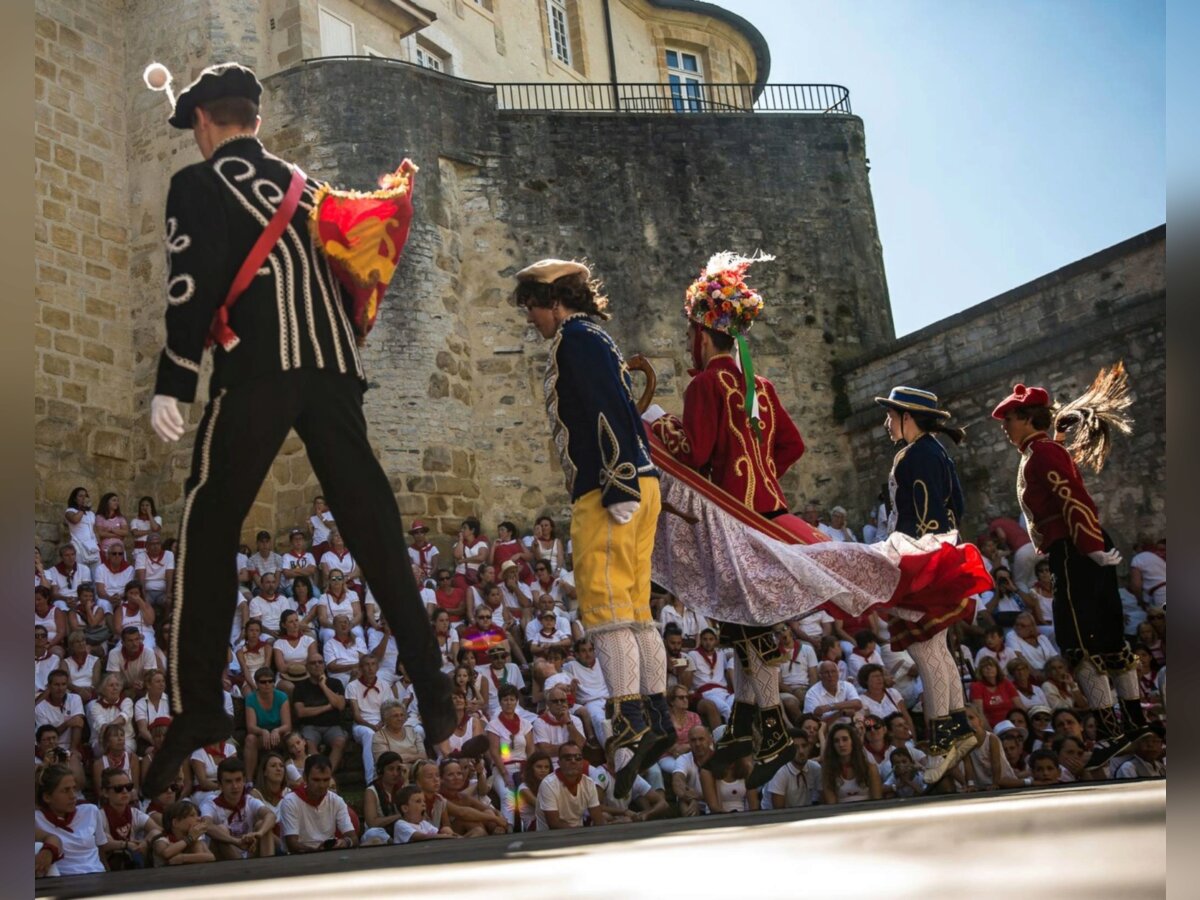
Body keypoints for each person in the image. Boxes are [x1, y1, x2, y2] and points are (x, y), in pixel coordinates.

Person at [141, 61, 452, 799]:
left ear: (205, 124)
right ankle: (434, 687)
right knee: (375, 527)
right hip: (335, 368)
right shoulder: (305, 184)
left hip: (259, 371)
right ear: (251, 117)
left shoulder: (198, 184)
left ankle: (198, 710)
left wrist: (175, 376)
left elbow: (193, 279)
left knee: (207, 525)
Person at [644, 252, 807, 789]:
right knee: (740, 625)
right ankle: (741, 722)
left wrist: (654, 422)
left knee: (748, 623)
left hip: (732, 520)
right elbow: (792, 444)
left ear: (701, 334)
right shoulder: (762, 386)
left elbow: (695, 452)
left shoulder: (705, 385)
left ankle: (772, 728)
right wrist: (763, 479)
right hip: (768, 513)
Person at [515, 258, 670, 799]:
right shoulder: (596, 338)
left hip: (609, 490)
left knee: (605, 612)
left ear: (552, 299)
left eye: (532, 307)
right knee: (636, 611)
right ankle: (655, 712)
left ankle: (629, 724)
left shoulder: (574, 341)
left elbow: (605, 411)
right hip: (635, 482)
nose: (531, 319)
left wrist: (619, 481)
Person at [993, 379, 1147, 769]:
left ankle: (1115, 732)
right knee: (1107, 635)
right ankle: (1134, 721)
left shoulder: (1041, 454)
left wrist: (1090, 546)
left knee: (1077, 641)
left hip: (1073, 549)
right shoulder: (1045, 449)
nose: (1004, 427)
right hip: (1080, 546)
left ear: (1027, 419)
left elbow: (1072, 499)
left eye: (1009, 419)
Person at [875, 385, 989, 783]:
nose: (887, 424)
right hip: (941, 557)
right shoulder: (939, 453)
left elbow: (920, 521)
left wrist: (898, 561)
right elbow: (955, 506)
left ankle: (942, 739)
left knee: (926, 653)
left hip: (919, 562)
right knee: (937, 651)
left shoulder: (912, 457)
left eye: (892, 417)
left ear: (908, 418)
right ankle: (956, 728)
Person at [199, 757, 276, 860]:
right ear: (220, 785)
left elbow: (271, 815)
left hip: (250, 852)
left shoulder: (249, 800)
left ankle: (269, 868)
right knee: (221, 829)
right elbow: (206, 825)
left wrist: (259, 833)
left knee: (262, 825)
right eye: (229, 781)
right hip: (224, 859)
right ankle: (241, 869)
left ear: (244, 781)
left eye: (238, 780)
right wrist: (236, 842)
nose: (235, 786)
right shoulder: (210, 803)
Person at [35, 765, 106, 875]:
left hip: (98, 875)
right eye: (65, 790)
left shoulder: (90, 810)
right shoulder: (37, 819)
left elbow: (101, 851)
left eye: (74, 788)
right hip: (65, 882)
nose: (73, 796)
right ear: (47, 797)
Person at [278, 754, 356, 853]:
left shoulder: (336, 800)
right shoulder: (290, 801)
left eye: (326, 780)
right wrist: (317, 851)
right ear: (305, 777)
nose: (322, 785)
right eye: (316, 780)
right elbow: (292, 845)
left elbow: (353, 838)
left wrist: (345, 842)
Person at [97, 766, 160, 870]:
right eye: (118, 788)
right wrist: (127, 844)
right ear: (105, 792)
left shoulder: (135, 813)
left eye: (129, 787)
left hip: (133, 858)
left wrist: (146, 841)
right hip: (107, 865)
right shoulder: (99, 815)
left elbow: (158, 830)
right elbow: (103, 844)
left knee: (157, 837)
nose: (125, 791)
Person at [535, 740, 605, 830]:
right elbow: (554, 823)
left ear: (582, 762)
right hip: (550, 838)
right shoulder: (548, 784)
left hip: (579, 834)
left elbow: (598, 818)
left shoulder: (589, 783)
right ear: (559, 763)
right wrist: (581, 835)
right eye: (568, 758)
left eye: (578, 758)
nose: (573, 761)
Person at [820, 721, 882, 804]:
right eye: (836, 741)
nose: (841, 744)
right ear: (832, 746)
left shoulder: (870, 769)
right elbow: (831, 805)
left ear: (853, 741)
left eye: (845, 739)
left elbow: (877, 801)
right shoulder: (828, 772)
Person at [765, 728, 822, 809]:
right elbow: (778, 811)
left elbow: (824, 802)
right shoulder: (779, 772)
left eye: (804, 746)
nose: (801, 751)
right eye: (795, 747)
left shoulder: (815, 768)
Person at [392, 785, 458, 843]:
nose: (423, 804)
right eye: (418, 801)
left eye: (424, 801)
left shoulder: (423, 823)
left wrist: (449, 834)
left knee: (446, 829)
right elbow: (422, 837)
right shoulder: (400, 824)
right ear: (405, 808)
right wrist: (446, 837)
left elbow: (437, 833)